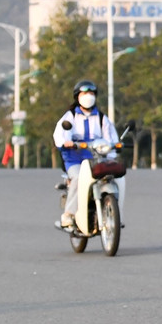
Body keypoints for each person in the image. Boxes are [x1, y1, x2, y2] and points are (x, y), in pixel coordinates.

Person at [51, 80, 117, 230]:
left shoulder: (102, 118)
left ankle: (112, 211)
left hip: (97, 159)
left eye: (91, 93)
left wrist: (114, 149)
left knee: (111, 177)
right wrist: (66, 142)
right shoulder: (70, 116)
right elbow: (59, 134)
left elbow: (111, 138)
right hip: (75, 159)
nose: (89, 96)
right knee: (78, 178)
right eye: (85, 93)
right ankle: (68, 214)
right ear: (77, 97)